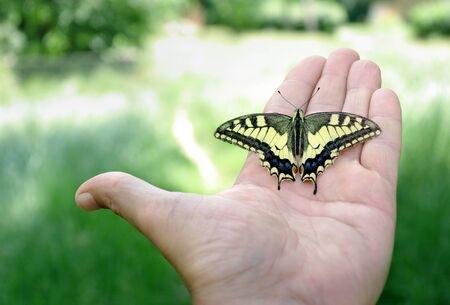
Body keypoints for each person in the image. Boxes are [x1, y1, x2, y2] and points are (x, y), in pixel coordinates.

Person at [75, 48, 402, 305]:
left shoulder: (275, 123)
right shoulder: (323, 122)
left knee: (301, 149)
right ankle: (302, 166)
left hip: (288, 151)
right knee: (308, 150)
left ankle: (291, 166)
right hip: (311, 149)